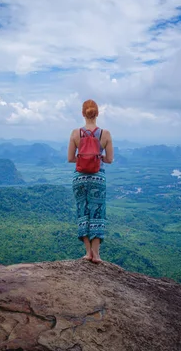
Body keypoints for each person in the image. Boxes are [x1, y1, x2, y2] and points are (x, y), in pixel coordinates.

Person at [68, 99, 114, 264]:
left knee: (83, 212)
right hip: (97, 179)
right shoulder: (105, 134)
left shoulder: (75, 133)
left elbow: (70, 158)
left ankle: (87, 252)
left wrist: (83, 159)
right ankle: (96, 254)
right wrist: (98, 157)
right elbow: (109, 159)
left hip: (79, 178)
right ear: (97, 113)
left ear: (83, 113)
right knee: (97, 213)